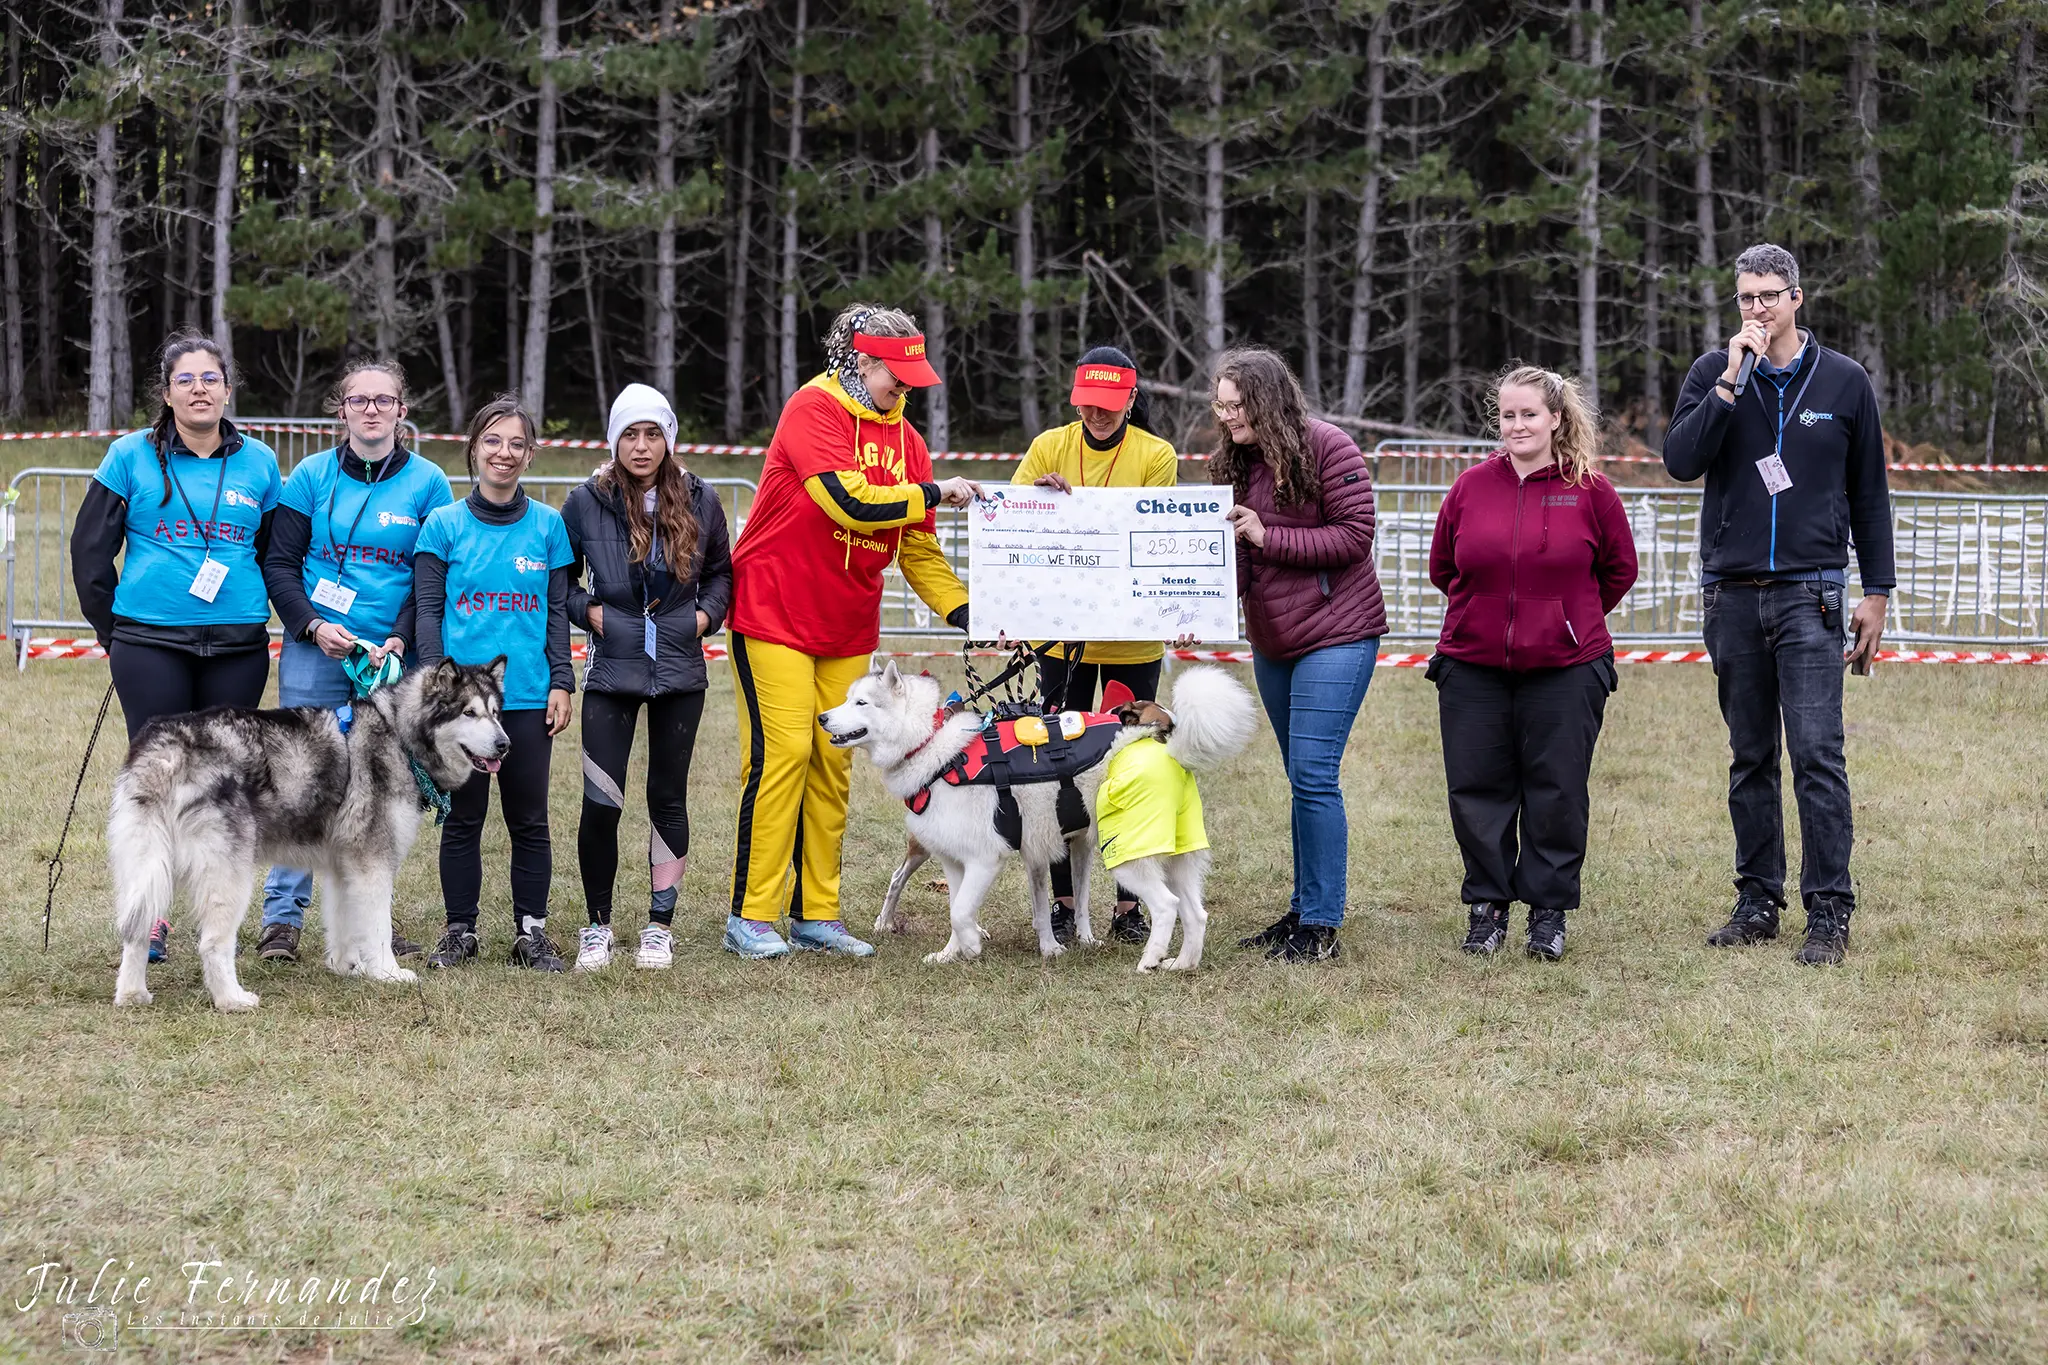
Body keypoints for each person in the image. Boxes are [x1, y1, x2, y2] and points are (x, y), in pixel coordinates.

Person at [724, 302, 982, 959]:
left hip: (845, 624)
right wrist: (930, 492)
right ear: (861, 360)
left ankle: (817, 915)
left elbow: (917, 549)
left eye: (912, 379)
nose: (906, 390)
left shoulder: (909, 442)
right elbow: (845, 498)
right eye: (896, 376)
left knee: (833, 767)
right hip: (774, 611)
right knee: (784, 755)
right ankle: (750, 916)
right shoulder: (814, 409)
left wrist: (966, 611)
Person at [1663, 242, 1894, 967]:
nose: (1756, 309)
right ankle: (1758, 898)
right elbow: (1680, 460)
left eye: (1768, 295)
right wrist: (1733, 379)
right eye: (1745, 298)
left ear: (1797, 297)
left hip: (1812, 594)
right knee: (1749, 754)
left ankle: (1829, 910)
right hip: (1732, 592)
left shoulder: (1846, 382)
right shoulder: (1714, 373)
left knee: (1818, 755)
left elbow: (1870, 496)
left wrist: (1877, 592)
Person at [72, 330, 281, 965]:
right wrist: (115, 631)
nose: (199, 390)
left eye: (210, 379)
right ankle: (152, 915)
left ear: (227, 388)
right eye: (185, 380)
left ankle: (214, 917)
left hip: (238, 646)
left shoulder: (259, 463)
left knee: (221, 785)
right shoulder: (129, 456)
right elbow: (89, 551)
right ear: (166, 393)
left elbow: (275, 554)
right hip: (150, 644)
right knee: (161, 780)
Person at [1426, 366, 1638, 961]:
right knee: (1477, 789)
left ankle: (1548, 913)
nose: (1517, 425)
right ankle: (1488, 906)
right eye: (1508, 415)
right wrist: (1485, 615)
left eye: (1529, 414)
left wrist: (1567, 617)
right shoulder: (1470, 487)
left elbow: (1619, 569)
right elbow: (1445, 567)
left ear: (1555, 419)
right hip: (1473, 665)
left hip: (1567, 668)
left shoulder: (1590, 489)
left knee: (1557, 791)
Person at [257, 358, 453, 963]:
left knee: (383, 783)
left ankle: (372, 921)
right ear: (340, 410)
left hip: (394, 657)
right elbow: (281, 565)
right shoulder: (310, 477)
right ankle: (282, 921)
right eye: (358, 400)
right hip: (319, 648)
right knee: (302, 777)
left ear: (401, 409)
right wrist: (313, 625)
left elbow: (430, 576)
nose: (371, 409)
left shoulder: (428, 482)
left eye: (383, 400)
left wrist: (398, 637)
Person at [1211, 348, 1386, 964]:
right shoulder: (1235, 462)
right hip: (1274, 640)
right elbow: (1229, 556)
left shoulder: (1329, 446)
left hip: (1337, 632)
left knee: (1314, 775)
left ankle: (1320, 925)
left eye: (1237, 405)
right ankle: (1302, 909)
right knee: (1300, 779)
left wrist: (1266, 534)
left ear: (1267, 400)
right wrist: (1190, 606)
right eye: (1221, 404)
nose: (1226, 416)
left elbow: (1353, 535)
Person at [1012, 345, 1183, 946]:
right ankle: (1063, 902)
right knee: (1058, 763)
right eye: (1088, 404)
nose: (1099, 416)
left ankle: (1128, 906)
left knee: (1130, 765)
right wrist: (1037, 497)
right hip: (1060, 638)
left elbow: (1152, 537)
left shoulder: (1156, 455)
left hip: (1132, 640)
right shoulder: (1049, 446)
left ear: (1132, 401)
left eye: (1110, 406)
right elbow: (1013, 525)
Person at [563, 384, 733, 971]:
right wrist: (589, 611)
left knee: (667, 797)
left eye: (652, 433)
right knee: (601, 802)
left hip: (681, 675)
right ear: (614, 441)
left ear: (669, 438)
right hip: (611, 671)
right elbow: (561, 580)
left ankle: (659, 927)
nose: (641, 446)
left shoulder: (702, 499)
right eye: (630, 435)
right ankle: (597, 926)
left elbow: (720, 575)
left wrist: (705, 618)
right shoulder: (585, 501)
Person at [413, 396, 576, 973]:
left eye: (515, 444)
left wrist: (563, 680)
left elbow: (557, 613)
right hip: (462, 709)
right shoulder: (443, 525)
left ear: (530, 454)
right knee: (462, 820)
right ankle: (460, 930)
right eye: (492, 441)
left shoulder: (550, 527)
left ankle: (532, 932)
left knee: (528, 818)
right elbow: (427, 611)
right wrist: (440, 686)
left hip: (527, 699)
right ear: (474, 448)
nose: (503, 454)